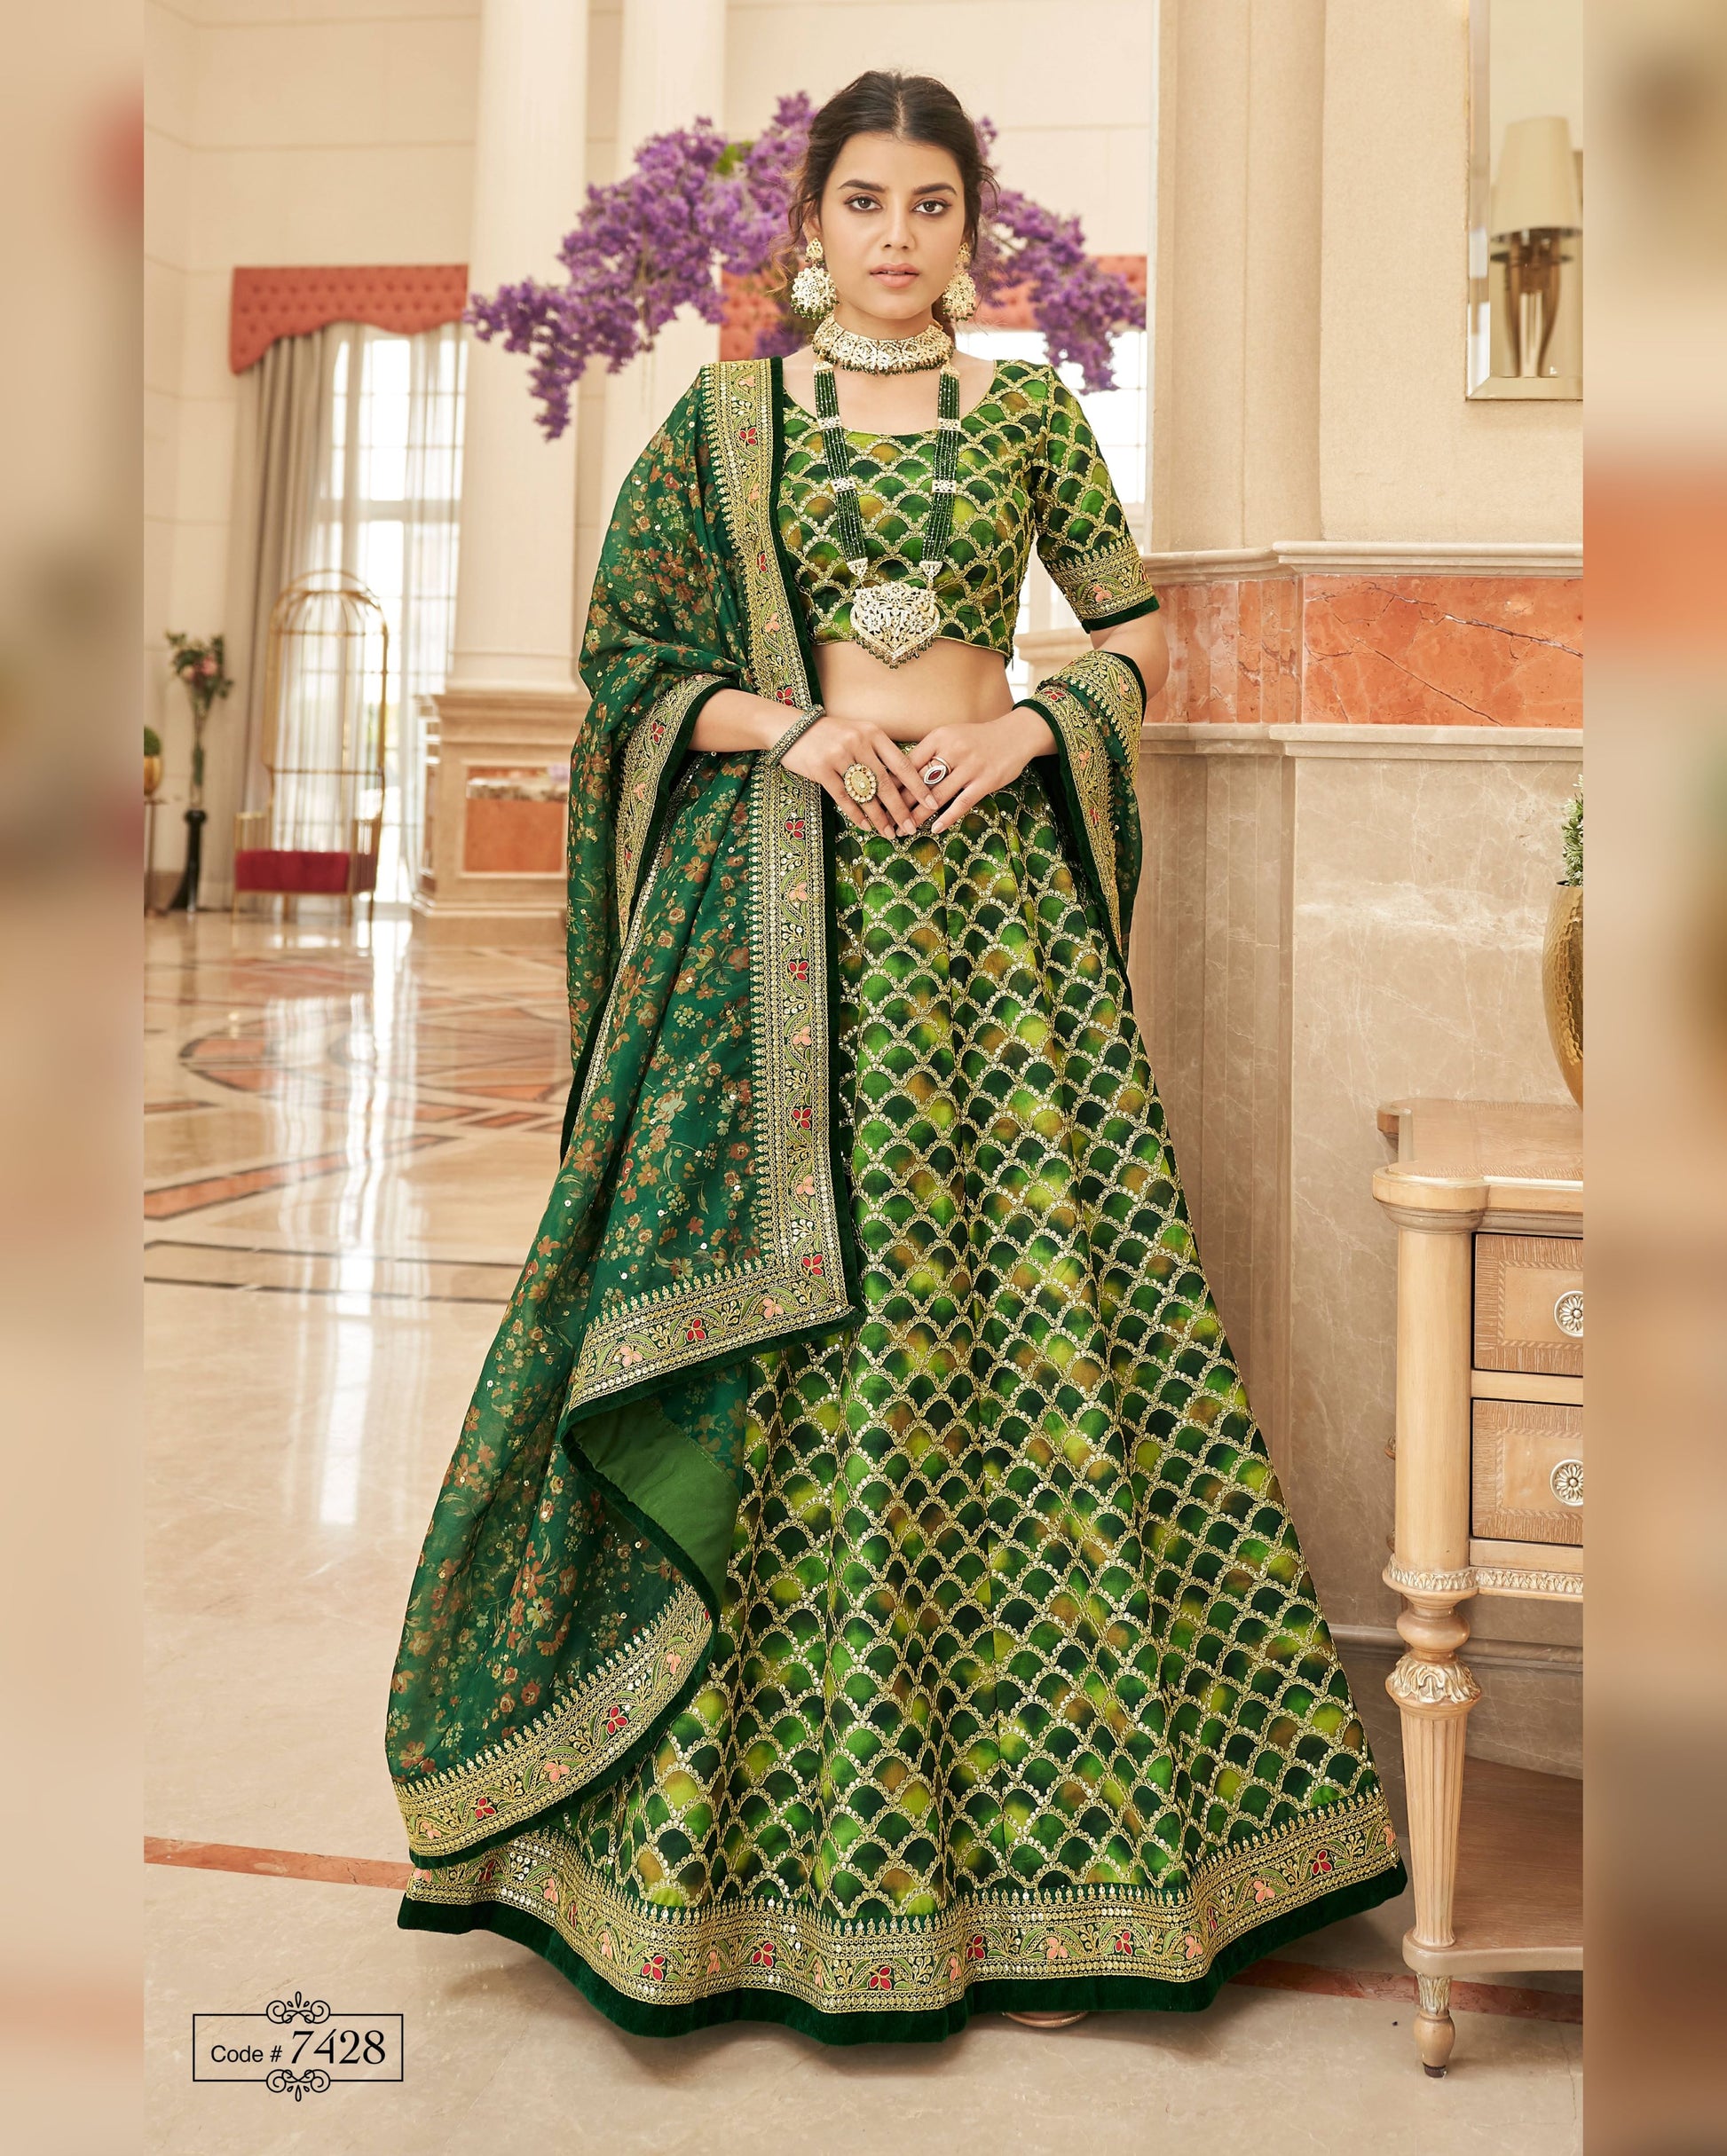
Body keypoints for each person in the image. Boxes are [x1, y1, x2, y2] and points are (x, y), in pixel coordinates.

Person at [384, 67, 1407, 2045]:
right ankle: (723, 1865)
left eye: (932, 204)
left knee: (1009, 1325)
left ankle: (1064, 1849)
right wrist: (804, 732)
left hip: (991, 927)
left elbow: (1125, 628)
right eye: (865, 200)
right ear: (809, 225)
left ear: (972, 226)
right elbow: (628, 670)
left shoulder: (1027, 409)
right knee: (800, 1338)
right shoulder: (727, 418)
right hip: (775, 923)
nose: (897, 235)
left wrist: (1029, 732)